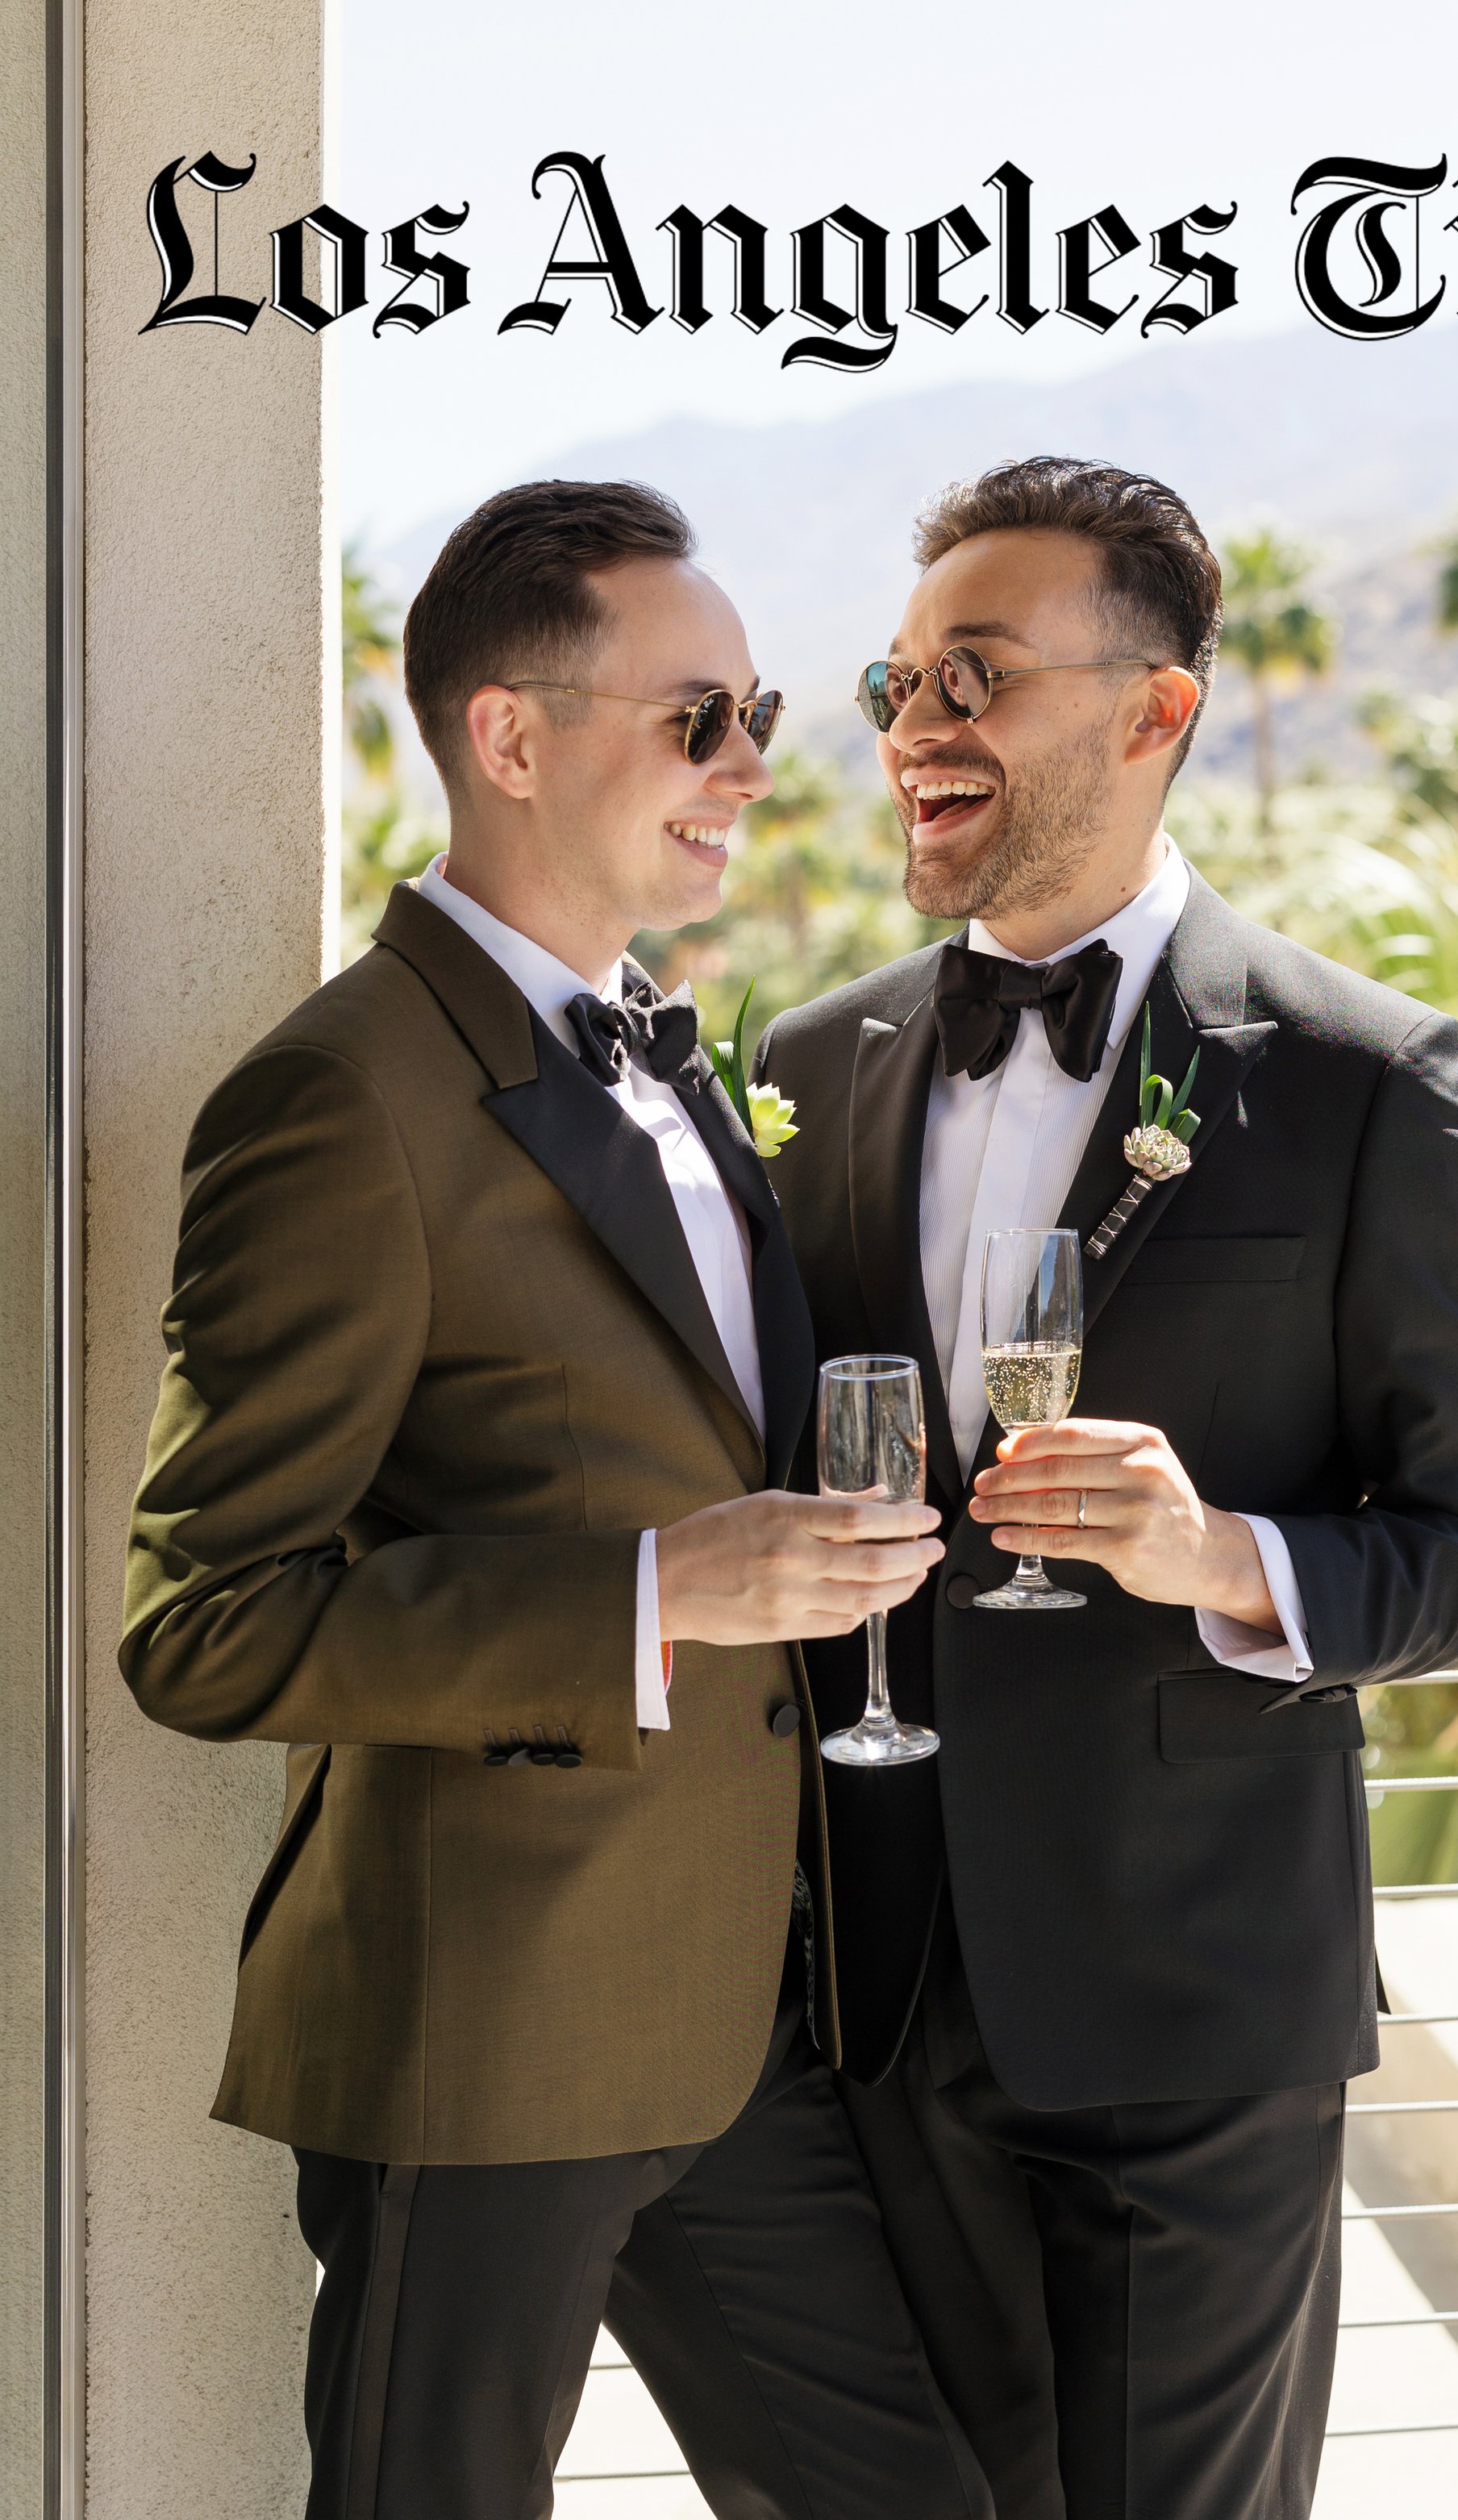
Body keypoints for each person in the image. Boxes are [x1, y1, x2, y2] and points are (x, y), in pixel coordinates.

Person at [121, 478, 989, 2520]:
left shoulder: (668, 1062)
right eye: (698, 719)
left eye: (758, 713)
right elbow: (205, 1620)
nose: (755, 768)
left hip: (733, 2025)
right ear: (509, 740)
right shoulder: (340, 1100)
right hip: (488, 2028)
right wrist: (654, 1593)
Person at [751, 458, 1458, 2520]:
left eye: (981, 674)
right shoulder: (813, 1064)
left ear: (1154, 711)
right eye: (900, 676)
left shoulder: (1365, 1083)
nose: (917, 723)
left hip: (1194, 2023)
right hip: (875, 1989)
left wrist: (1221, 1557)